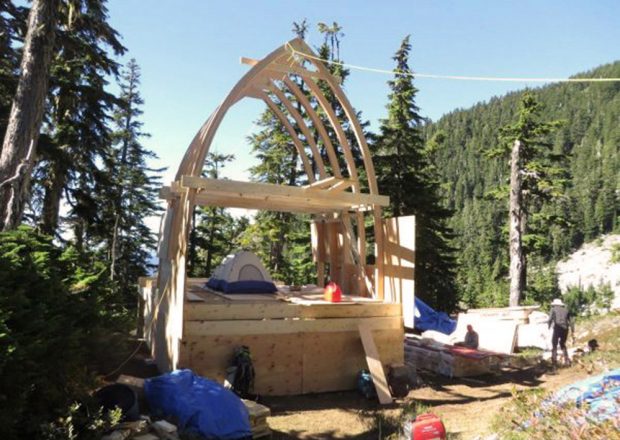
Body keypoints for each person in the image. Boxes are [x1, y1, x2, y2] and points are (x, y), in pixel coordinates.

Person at [548, 298, 574, 368]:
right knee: (562, 344)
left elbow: (550, 319)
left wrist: (548, 327)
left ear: (555, 304)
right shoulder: (566, 310)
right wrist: (572, 331)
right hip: (565, 329)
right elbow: (571, 321)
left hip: (557, 328)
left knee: (554, 344)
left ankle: (554, 363)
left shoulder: (553, 309)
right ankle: (567, 360)